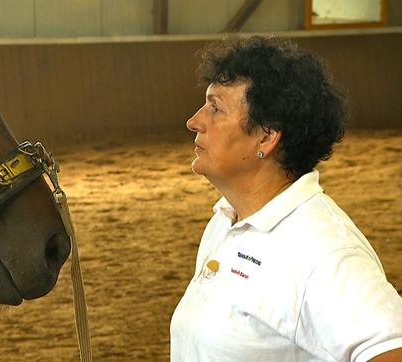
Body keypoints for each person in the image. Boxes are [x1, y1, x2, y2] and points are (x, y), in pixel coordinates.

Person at [170, 36, 402, 362]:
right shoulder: (226, 220)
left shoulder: (324, 252)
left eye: (216, 108)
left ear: (266, 136)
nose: (195, 121)